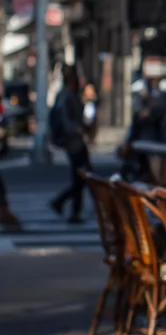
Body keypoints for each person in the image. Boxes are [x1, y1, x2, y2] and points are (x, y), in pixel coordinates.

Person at [49, 65, 91, 224]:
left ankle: (66, 205)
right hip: (74, 142)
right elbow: (67, 120)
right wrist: (79, 130)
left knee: (82, 177)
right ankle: (65, 205)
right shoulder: (67, 95)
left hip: (75, 141)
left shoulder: (69, 94)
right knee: (83, 176)